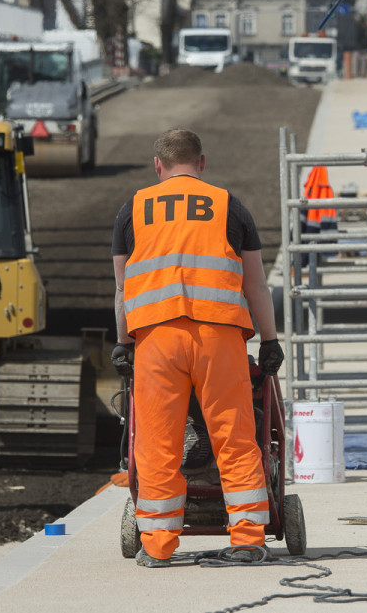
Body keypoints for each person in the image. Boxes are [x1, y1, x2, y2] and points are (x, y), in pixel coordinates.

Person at [111, 129, 284, 568]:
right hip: (219, 337)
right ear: (201, 163)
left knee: (156, 442)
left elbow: (122, 290)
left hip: (157, 339)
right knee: (236, 435)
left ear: (158, 166)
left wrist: (122, 344)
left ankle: (159, 545)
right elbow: (256, 284)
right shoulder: (230, 206)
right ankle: (247, 538)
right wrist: (269, 340)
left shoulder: (132, 211)